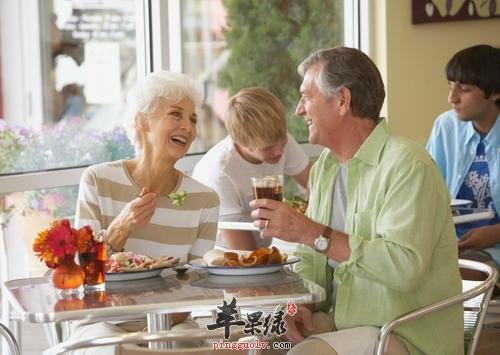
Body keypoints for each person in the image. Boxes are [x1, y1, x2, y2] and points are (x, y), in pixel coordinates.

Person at [250, 47, 463, 354]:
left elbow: (404, 268)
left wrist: (312, 232)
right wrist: (299, 306)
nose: (298, 110)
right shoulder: (326, 165)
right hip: (345, 322)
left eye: (306, 97)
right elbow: (311, 259)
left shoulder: (407, 164)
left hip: (403, 331)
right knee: (257, 344)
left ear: (342, 101)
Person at [71, 70, 220, 354]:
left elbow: (198, 285)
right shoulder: (98, 181)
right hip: (102, 322)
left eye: (192, 119)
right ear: (142, 121)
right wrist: (121, 227)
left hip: (172, 322)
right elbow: (83, 274)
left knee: (186, 345)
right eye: (176, 114)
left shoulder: (204, 199)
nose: (188, 127)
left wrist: (148, 334)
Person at [192, 87, 311, 250]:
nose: (279, 151)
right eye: (268, 147)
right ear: (241, 141)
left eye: (281, 139)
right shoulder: (219, 172)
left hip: (262, 245)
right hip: (223, 255)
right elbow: (244, 251)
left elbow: (316, 184)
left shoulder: (281, 142)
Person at [426, 44, 500, 279]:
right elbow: (426, 189)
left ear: (495, 93)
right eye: (451, 87)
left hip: (491, 250)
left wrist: (496, 233)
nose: (452, 98)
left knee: (446, 275)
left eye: (464, 89)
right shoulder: (446, 126)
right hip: (449, 244)